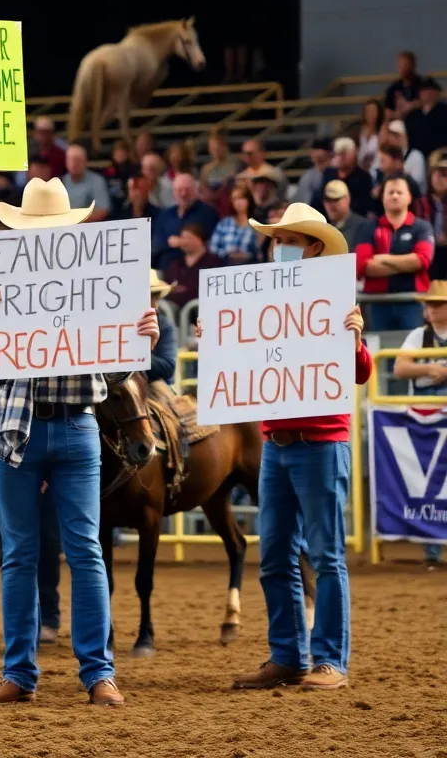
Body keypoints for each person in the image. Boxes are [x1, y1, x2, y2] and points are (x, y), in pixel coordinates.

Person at [0, 176, 160, 707]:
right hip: (20, 432)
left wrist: (141, 339)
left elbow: (115, 371)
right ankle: (22, 674)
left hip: (74, 425)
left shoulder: (91, 276)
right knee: (24, 556)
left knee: (84, 552)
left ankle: (98, 672)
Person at [210, 204, 370, 692]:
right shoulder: (264, 298)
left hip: (320, 442)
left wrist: (356, 339)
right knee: (277, 554)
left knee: (324, 554)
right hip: (276, 444)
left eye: (286, 239)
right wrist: (218, 339)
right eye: (275, 238)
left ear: (313, 246)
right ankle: (289, 655)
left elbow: (360, 372)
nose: (275, 247)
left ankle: (328, 660)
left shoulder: (336, 298)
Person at [393, 280, 447, 567]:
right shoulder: (418, 335)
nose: (431, 309)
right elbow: (399, 367)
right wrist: (430, 368)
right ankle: (432, 548)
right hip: (424, 416)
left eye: (437, 304)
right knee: (428, 484)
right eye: (430, 304)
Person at [356, 173, 434, 331]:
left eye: (399, 192)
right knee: (380, 354)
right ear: (382, 197)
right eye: (390, 192)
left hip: (412, 303)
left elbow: (422, 260)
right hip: (377, 305)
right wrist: (406, 263)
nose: (395, 196)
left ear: (410, 197)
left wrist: (382, 258)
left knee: (412, 353)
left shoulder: (422, 227)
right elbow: (362, 266)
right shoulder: (368, 228)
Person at [152, 172, 220, 270]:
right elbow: (157, 244)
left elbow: (206, 245)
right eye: (179, 190)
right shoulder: (164, 216)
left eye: (187, 190)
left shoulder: (207, 213)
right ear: (174, 193)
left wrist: (178, 242)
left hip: (195, 269)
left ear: (195, 191)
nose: (183, 194)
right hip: (165, 269)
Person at [162, 224, 220, 308]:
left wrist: (186, 291)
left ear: (200, 239)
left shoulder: (214, 263)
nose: (184, 242)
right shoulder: (175, 264)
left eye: (189, 238)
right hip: (172, 309)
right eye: (182, 238)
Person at [315, 138, 374, 216]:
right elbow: (320, 198)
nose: (341, 157)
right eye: (338, 153)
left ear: (354, 154)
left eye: (345, 153)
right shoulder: (329, 174)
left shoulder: (363, 177)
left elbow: (362, 205)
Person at [209, 182, 261, 265]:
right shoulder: (224, 224)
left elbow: (260, 253)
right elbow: (213, 248)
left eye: (241, 198)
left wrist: (247, 255)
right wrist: (227, 253)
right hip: (225, 268)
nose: (238, 202)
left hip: (249, 268)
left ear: (249, 200)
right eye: (235, 199)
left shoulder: (257, 224)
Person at [61, 145, 111, 220]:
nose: (75, 163)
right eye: (72, 160)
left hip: (90, 227)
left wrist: (76, 221)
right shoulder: (59, 182)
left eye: (78, 160)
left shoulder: (97, 181)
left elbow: (102, 210)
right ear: (66, 162)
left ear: (85, 162)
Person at [322, 180, 369, 252]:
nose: (331, 204)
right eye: (328, 200)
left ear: (347, 199)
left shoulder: (363, 226)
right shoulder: (323, 230)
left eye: (336, 199)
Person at [405, 78, 447, 158]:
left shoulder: (444, 112)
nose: (428, 94)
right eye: (424, 91)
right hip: (418, 157)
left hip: (440, 156)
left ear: (437, 93)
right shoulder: (412, 116)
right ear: (419, 94)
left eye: (430, 90)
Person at [384, 50, 423, 121]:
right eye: (400, 65)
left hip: (420, 122)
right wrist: (396, 114)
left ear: (412, 65)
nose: (402, 69)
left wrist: (411, 106)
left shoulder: (423, 85)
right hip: (400, 124)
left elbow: (429, 102)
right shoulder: (393, 88)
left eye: (405, 65)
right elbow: (387, 111)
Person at [296, 139, 334, 207]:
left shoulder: (338, 172)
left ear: (329, 152)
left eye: (316, 149)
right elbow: (305, 203)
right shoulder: (308, 176)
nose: (312, 152)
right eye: (313, 149)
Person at [357, 100, 384, 173]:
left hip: (376, 169)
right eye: (368, 111)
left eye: (373, 111)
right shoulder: (358, 130)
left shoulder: (382, 130)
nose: (370, 114)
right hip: (359, 169)